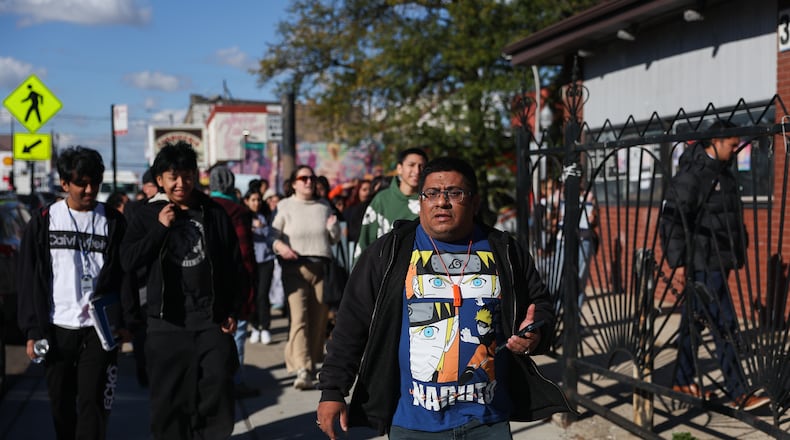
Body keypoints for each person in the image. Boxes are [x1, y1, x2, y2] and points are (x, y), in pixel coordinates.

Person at [316, 157, 571, 439]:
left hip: (488, 421)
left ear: (474, 203)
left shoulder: (505, 250)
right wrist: (333, 390)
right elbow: (352, 322)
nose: (442, 202)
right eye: (432, 194)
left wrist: (535, 333)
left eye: (454, 193)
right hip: (413, 422)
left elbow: (540, 305)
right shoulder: (389, 252)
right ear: (421, 201)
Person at [120, 141, 244, 438]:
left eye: (187, 175)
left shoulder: (213, 213)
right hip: (166, 323)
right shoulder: (147, 215)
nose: (180, 183)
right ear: (159, 180)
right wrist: (159, 229)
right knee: (170, 403)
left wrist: (232, 308)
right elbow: (127, 261)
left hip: (210, 321)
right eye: (172, 177)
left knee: (217, 393)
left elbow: (234, 264)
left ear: (196, 175)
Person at [17, 146, 130, 440]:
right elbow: (28, 278)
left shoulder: (113, 222)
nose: (90, 189)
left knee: (93, 404)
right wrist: (32, 330)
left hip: (99, 329)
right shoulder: (43, 222)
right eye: (82, 183)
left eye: (95, 182)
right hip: (56, 328)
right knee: (61, 405)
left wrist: (126, 322)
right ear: (65, 183)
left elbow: (125, 276)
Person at [660, 121, 770, 411]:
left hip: (719, 260)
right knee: (726, 326)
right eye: (732, 145)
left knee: (693, 325)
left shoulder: (723, 172)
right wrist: (680, 263)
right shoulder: (694, 174)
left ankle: (682, 381)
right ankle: (738, 392)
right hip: (703, 262)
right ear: (716, 142)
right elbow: (672, 219)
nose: (735, 150)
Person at [271, 165, 341, 390]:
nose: (309, 182)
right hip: (294, 267)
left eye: (312, 178)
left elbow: (334, 239)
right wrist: (280, 246)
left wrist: (334, 227)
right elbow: (272, 235)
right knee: (299, 317)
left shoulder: (323, 206)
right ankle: (302, 368)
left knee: (319, 319)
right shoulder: (285, 206)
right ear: (293, 183)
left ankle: (311, 362)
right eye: (303, 178)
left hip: (321, 267)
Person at [208, 164, 259, 399]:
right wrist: (249, 289)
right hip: (233, 281)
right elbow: (245, 254)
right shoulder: (237, 212)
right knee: (236, 334)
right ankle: (236, 381)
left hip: (204, 282)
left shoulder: (202, 206)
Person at [355, 148, 428, 258]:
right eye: (411, 165)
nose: (417, 171)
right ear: (399, 168)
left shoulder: (430, 201)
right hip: (383, 268)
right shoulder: (382, 199)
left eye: (421, 166)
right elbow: (365, 241)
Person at [243, 189, 276, 345]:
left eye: (258, 200)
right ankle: (255, 326)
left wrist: (262, 227)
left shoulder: (266, 215)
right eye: (253, 200)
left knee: (263, 295)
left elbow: (272, 235)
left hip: (266, 261)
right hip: (249, 261)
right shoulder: (242, 217)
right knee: (252, 295)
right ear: (247, 201)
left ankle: (265, 327)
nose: (256, 203)